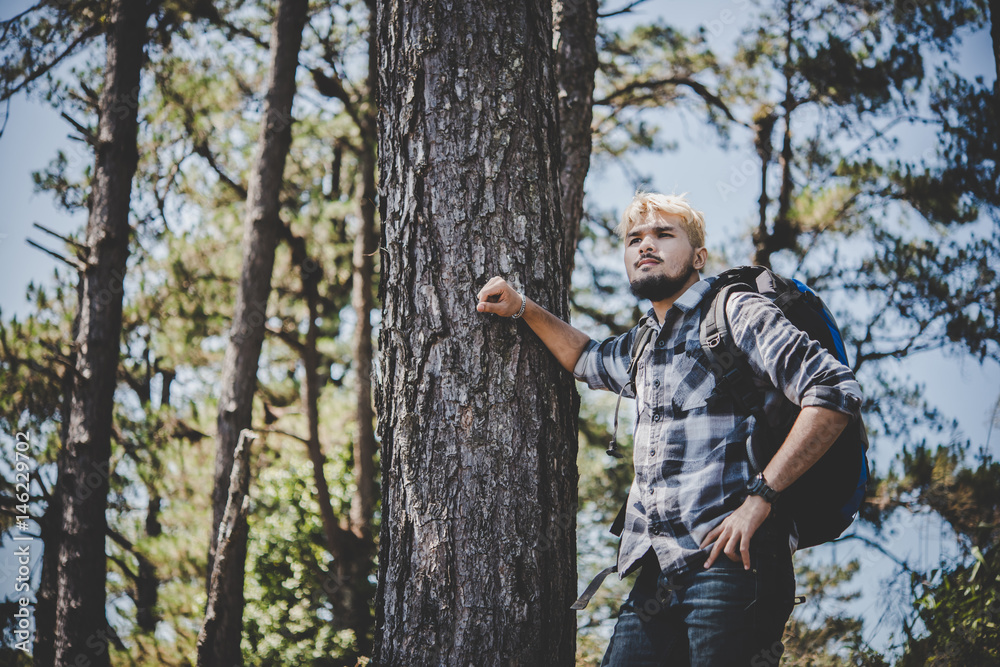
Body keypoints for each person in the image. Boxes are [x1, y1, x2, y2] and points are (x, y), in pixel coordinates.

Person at [475, 192, 863, 666]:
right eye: (634, 238)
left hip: (736, 562)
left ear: (698, 256)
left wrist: (761, 498)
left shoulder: (734, 311)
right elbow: (585, 358)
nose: (645, 246)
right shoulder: (644, 343)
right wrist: (522, 308)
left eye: (663, 234)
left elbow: (832, 390)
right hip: (658, 570)